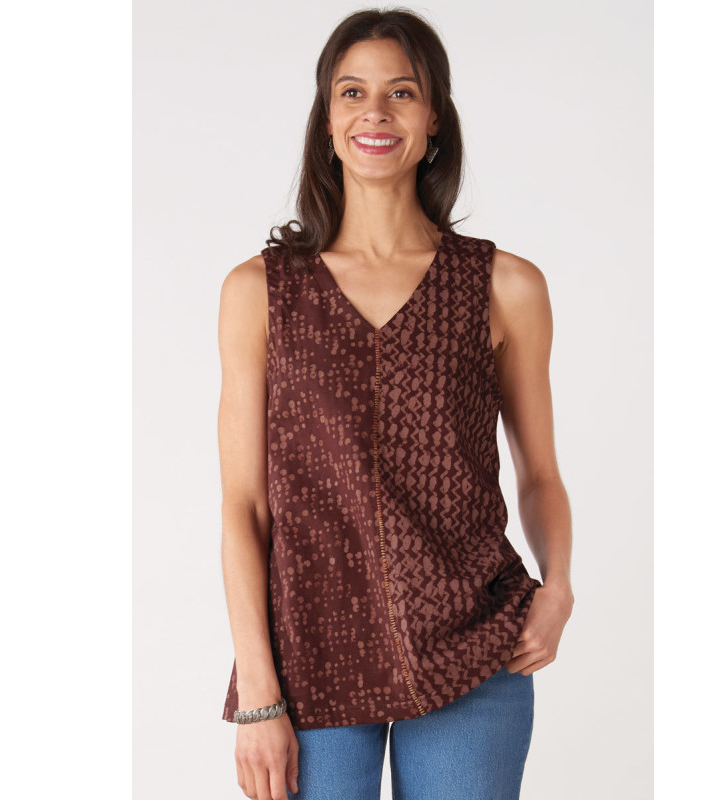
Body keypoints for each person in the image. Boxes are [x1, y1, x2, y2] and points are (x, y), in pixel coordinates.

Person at [217, 8, 574, 800]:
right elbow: (245, 505)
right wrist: (258, 696)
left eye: (401, 93)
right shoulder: (259, 292)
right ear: (328, 117)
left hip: (472, 646)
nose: (375, 113)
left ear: (433, 117)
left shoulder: (506, 286)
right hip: (309, 652)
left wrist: (558, 589)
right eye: (352, 93)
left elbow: (540, 473)